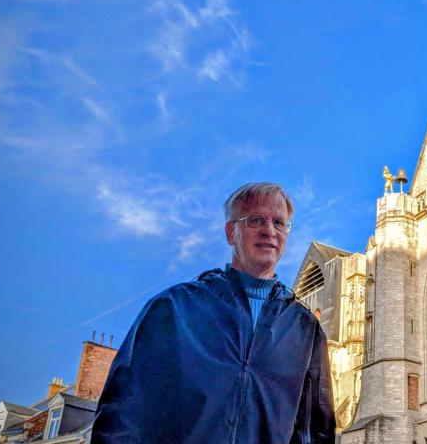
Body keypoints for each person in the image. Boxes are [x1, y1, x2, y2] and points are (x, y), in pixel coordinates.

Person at [92, 182, 335, 443]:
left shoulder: (305, 329)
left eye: (279, 222)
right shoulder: (175, 308)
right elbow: (124, 414)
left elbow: (313, 431)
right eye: (255, 220)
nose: (269, 231)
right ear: (232, 232)